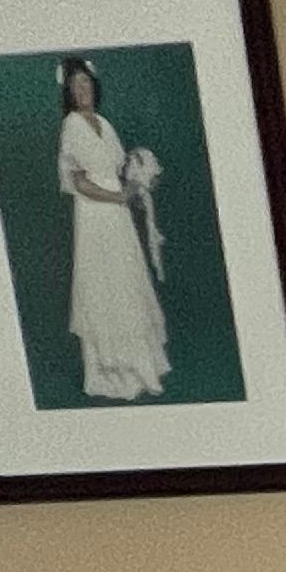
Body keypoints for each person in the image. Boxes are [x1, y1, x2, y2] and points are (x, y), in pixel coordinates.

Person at [55, 60, 168, 405]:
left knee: (126, 279)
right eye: (75, 86)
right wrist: (117, 196)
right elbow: (78, 181)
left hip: (117, 216)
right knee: (105, 283)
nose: (82, 90)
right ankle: (111, 370)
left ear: (94, 86)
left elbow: (117, 168)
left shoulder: (104, 123)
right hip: (94, 215)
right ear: (69, 94)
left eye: (86, 83)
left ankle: (141, 365)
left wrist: (138, 166)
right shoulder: (71, 126)